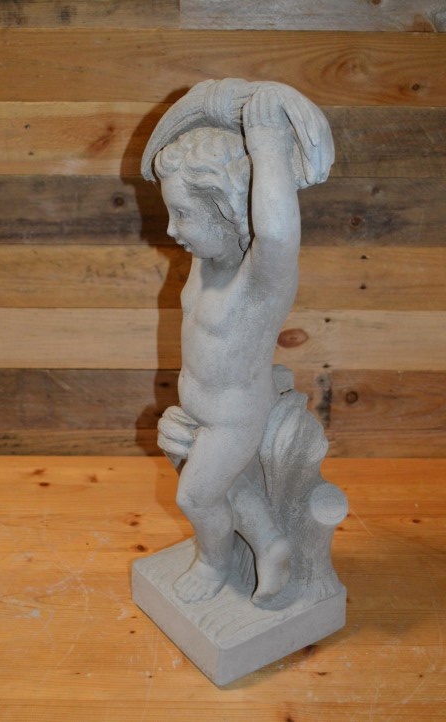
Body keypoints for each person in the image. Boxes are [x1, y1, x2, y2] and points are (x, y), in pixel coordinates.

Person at [154, 87, 326, 604]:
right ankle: (271, 545)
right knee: (227, 486)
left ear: (228, 210)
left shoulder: (259, 283)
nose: (171, 228)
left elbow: (275, 235)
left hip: (233, 418)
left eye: (183, 214)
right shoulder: (205, 263)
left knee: (195, 497)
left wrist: (267, 140)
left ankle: (214, 564)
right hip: (200, 411)